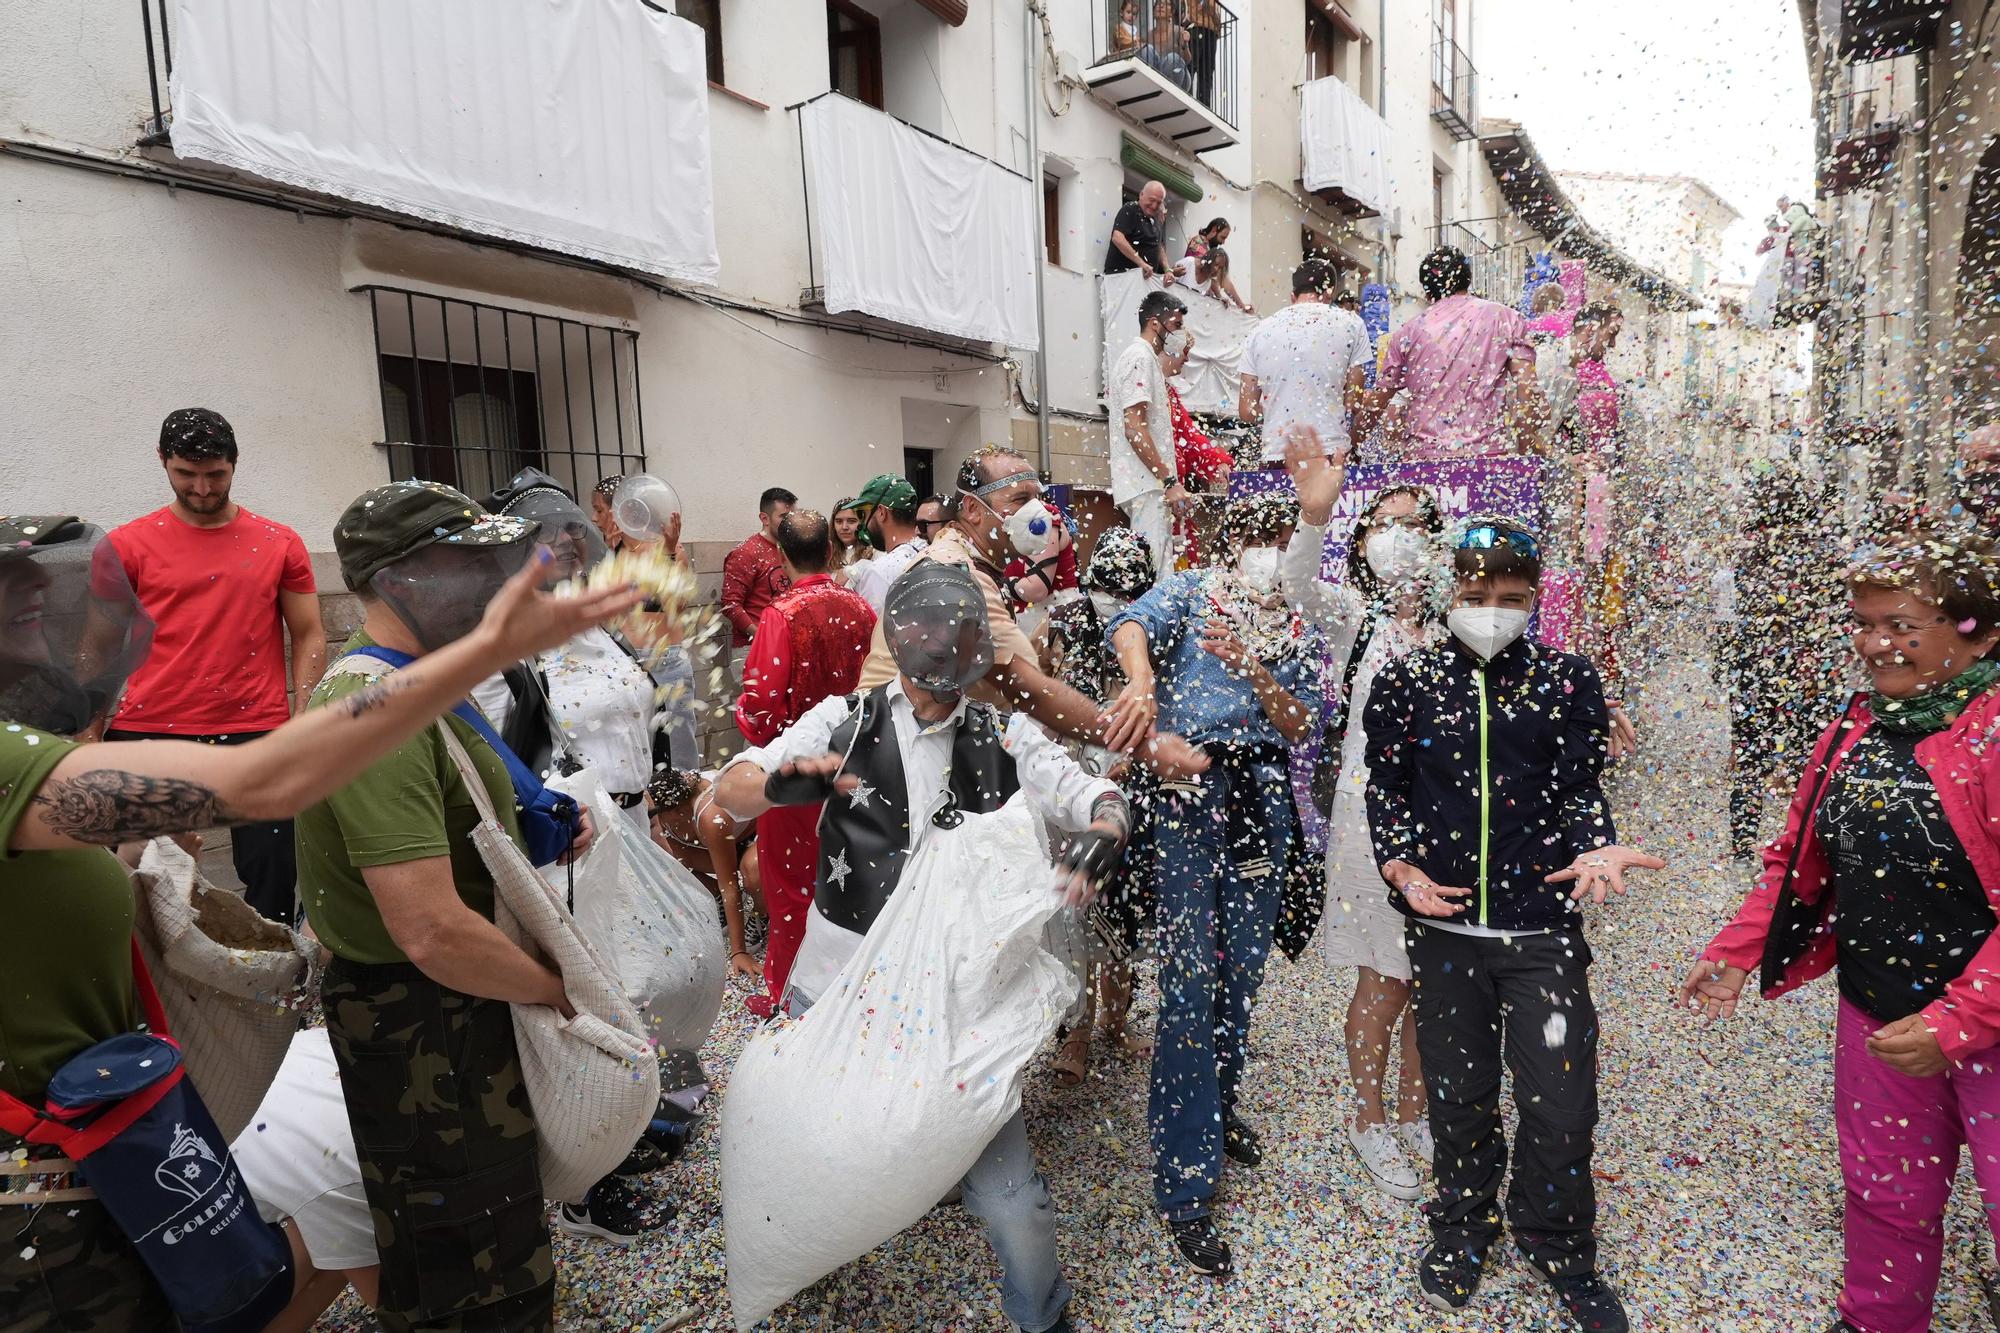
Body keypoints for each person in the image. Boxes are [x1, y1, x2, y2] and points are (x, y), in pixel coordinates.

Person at [0, 510, 636, 1330]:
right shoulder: (12, 765)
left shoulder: (31, 760)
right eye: (31, 615)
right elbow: (263, 780)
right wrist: (486, 650)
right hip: (39, 1192)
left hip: (102, 1147)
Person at [716, 561, 1132, 1333]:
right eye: (936, 666)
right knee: (790, 1125)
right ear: (906, 650)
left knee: (1015, 1203)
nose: (946, 688)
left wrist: (1108, 826)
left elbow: (1093, 793)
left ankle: (1044, 1317)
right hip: (840, 985)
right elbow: (730, 790)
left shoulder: (1003, 732)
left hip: (956, 1000)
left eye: (961, 666)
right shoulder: (841, 719)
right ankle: (799, 1252)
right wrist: (778, 783)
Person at [293, 480, 638, 1328]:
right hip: (426, 1032)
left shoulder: (415, 684)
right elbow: (430, 927)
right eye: (472, 558)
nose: (499, 576)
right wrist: (556, 990)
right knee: (473, 1273)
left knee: (487, 1240)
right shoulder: (372, 705)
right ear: (403, 578)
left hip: (448, 1019)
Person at [1679, 521, 2000, 1333]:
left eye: (1901, 625)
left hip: (1986, 1026)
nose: (1875, 642)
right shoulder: (1857, 726)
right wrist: (1737, 951)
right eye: (1863, 622)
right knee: (1887, 1195)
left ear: (1980, 633)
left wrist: (1960, 1020)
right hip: (1878, 1013)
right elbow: (1799, 858)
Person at [1363, 517, 1662, 1330]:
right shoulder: (1407, 682)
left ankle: (1558, 1240)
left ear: (1536, 596)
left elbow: (1575, 789)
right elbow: (1385, 789)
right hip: (1446, 933)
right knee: (1460, 1097)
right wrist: (1400, 864)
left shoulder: (1569, 680)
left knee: (1563, 1102)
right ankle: (1462, 1225)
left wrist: (1595, 842)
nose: (1491, 611)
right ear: (1448, 594)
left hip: (1543, 931)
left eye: (1510, 598)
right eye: (1474, 596)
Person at [1107, 492, 1323, 1277]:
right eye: (1252, 536)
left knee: (1242, 977)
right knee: (1190, 983)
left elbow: (1302, 724)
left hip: (1260, 803)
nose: (1264, 550)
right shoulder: (1191, 590)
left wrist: (1254, 667)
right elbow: (1128, 622)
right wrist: (1142, 681)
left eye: (1278, 536)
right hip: (1187, 797)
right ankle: (1184, 1182)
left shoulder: (1294, 620)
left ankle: (1217, 1106)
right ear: (1227, 543)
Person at [1279, 429, 1447, 1202]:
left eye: (1417, 524)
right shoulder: (1355, 617)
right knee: (1384, 975)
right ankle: (1367, 1117)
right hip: (1369, 824)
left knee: (1433, 976)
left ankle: (1417, 1110)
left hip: (1445, 820)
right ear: (1366, 543)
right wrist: (1314, 513)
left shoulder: (1459, 626)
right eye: (1387, 523)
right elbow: (1296, 583)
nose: (1402, 538)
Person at [855, 446, 1207, 782]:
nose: (1038, 513)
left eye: (1038, 498)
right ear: (974, 509)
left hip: (919, 752)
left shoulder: (971, 565)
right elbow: (1030, 690)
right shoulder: (957, 575)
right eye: (1020, 500)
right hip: (897, 760)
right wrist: (1142, 746)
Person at [104, 408, 324, 924]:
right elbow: (103, 645)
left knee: (275, 867)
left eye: (215, 475)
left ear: (234, 464)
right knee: (137, 872)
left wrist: (306, 720)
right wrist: (90, 731)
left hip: (255, 727)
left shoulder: (279, 542)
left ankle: (273, 980)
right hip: (149, 728)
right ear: (163, 462)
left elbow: (310, 632)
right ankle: (151, 984)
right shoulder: (127, 544)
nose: (202, 488)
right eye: (186, 474)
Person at [735, 509, 877, 1010]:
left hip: (798, 773)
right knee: (849, 876)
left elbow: (761, 708)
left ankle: (789, 997)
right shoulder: (861, 609)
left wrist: (752, 736)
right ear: (831, 551)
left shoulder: (781, 614)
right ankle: (849, 991)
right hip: (858, 763)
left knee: (793, 887)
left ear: (780, 553)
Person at [1038, 527, 1161, 1085]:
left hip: (1137, 768)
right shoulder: (1065, 619)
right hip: (1074, 772)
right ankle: (1079, 1029)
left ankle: (1116, 1018)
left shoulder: (1156, 624)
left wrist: (1136, 758)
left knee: (1128, 903)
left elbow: (1169, 702)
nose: (1119, 606)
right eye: (1110, 591)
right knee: (1077, 904)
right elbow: (1036, 689)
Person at [473, 470, 657, 836]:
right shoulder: (503, 648)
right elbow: (492, 763)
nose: (564, 540)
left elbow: (629, 731)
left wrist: (650, 820)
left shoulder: (601, 628)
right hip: (572, 844)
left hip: (634, 825)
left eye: (571, 526)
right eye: (543, 530)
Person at [231, 1028, 382, 1333]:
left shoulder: (333, 1041)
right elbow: (400, 1310)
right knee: (345, 1238)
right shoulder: (341, 1174)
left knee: (341, 1237)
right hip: (174, 1291)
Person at [1375, 246, 1547, 459]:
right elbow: (1527, 387)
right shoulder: (1506, 318)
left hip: (1423, 459)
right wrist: (1526, 445)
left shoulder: (1406, 332)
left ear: (1426, 292)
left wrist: (1354, 443)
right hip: (1486, 457)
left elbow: (1378, 403)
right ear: (1467, 280)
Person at [1239, 260, 1376, 472]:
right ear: (1329, 292)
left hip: (1277, 455)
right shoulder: (1352, 323)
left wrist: (1278, 410)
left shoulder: (1259, 331)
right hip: (1331, 453)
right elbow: (1354, 402)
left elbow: (1247, 411)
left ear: (1292, 296)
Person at [649, 765, 764, 978]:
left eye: (654, 816)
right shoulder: (670, 803)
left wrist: (738, 951)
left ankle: (762, 913)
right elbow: (670, 864)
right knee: (667, 859)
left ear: (676, 812)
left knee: (753, 872)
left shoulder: (710, 816)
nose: (654, 822)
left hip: (757, 836)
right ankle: (714, 896)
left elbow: (729, 886)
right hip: (729, 843)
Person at [1109, 289, 1193, 573]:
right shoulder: (1138, 357)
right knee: (1155, 578)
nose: (1179, 333)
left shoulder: (1148, 359)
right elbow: (1134, 428)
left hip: (1150, 487)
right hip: (1147, 487)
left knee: (1160, 572)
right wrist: (1169, 481)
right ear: (1156, 324)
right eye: (1177, 326)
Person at [1162, 329, 1235, 565]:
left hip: (1174, 496)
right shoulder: (1152, 386)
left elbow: (1189, 438)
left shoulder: (1169, 393)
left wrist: (1217, 462)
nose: (1187, 359)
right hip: (1158, 494)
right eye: (1185, 352)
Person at [720, 486, 797, 647]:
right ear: (765, 518)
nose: (790, 522)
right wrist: (761, 635)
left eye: (793, 516)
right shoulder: (746, 553)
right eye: (784, 517)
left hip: (787, 644)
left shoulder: (791, 549)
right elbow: (730, 604)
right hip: (752, 648)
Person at [848, 472, 930, 614]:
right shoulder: (934, 551)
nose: (862, 524)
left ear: (881, 512)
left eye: (863, 514)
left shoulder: (880, 572)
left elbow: (874, 633)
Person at [1105, 180, 1171, 280]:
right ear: (1141, 195)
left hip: (1144, 281)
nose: (1154, 206)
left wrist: (1168, 270)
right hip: (1122, 278)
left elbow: (1159, 246)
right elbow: (1117, 237)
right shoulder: (1131, 209)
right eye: (1152, 200)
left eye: (1158, 203)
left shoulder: (1156, 219)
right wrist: (1141, 263)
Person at [1172, 246, 1252, 314]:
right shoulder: (1189, 263)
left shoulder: (1208, 282)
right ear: (1208, 259)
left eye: (1220, 267)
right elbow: (1166, 276)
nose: (1216, 269)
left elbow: (1223, 287)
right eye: (1216, 264)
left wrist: (1220, 299)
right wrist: (1172, 272)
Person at [1138, 0, 1192, 89]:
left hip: (1179, 75)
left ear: (1172, 12)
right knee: (1146, 49)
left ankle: (1168, 89)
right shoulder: (1147, 36)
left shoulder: (1178, 31)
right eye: (1158, 4)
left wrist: (1185, 44)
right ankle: (1149, 86)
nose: (1161, 6)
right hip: (1158, 75)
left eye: (1166, 4)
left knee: (1172, 58)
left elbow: (1187, 59)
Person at [1185, 0, 1222, 106]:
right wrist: (1213, 13)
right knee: (1193, 65)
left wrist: (1212, 13)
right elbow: (1206, 7)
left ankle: (1204, 103)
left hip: (1210, 32)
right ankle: (1188, 95)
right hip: (1197, 28)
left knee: (1207, 70)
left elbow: (1218, 23)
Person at [829, 498, 872, 581]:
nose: (844, 527)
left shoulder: (874, 553)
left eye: (851, 521)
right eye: (839, 521)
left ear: (862, 523)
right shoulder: (826, 554)